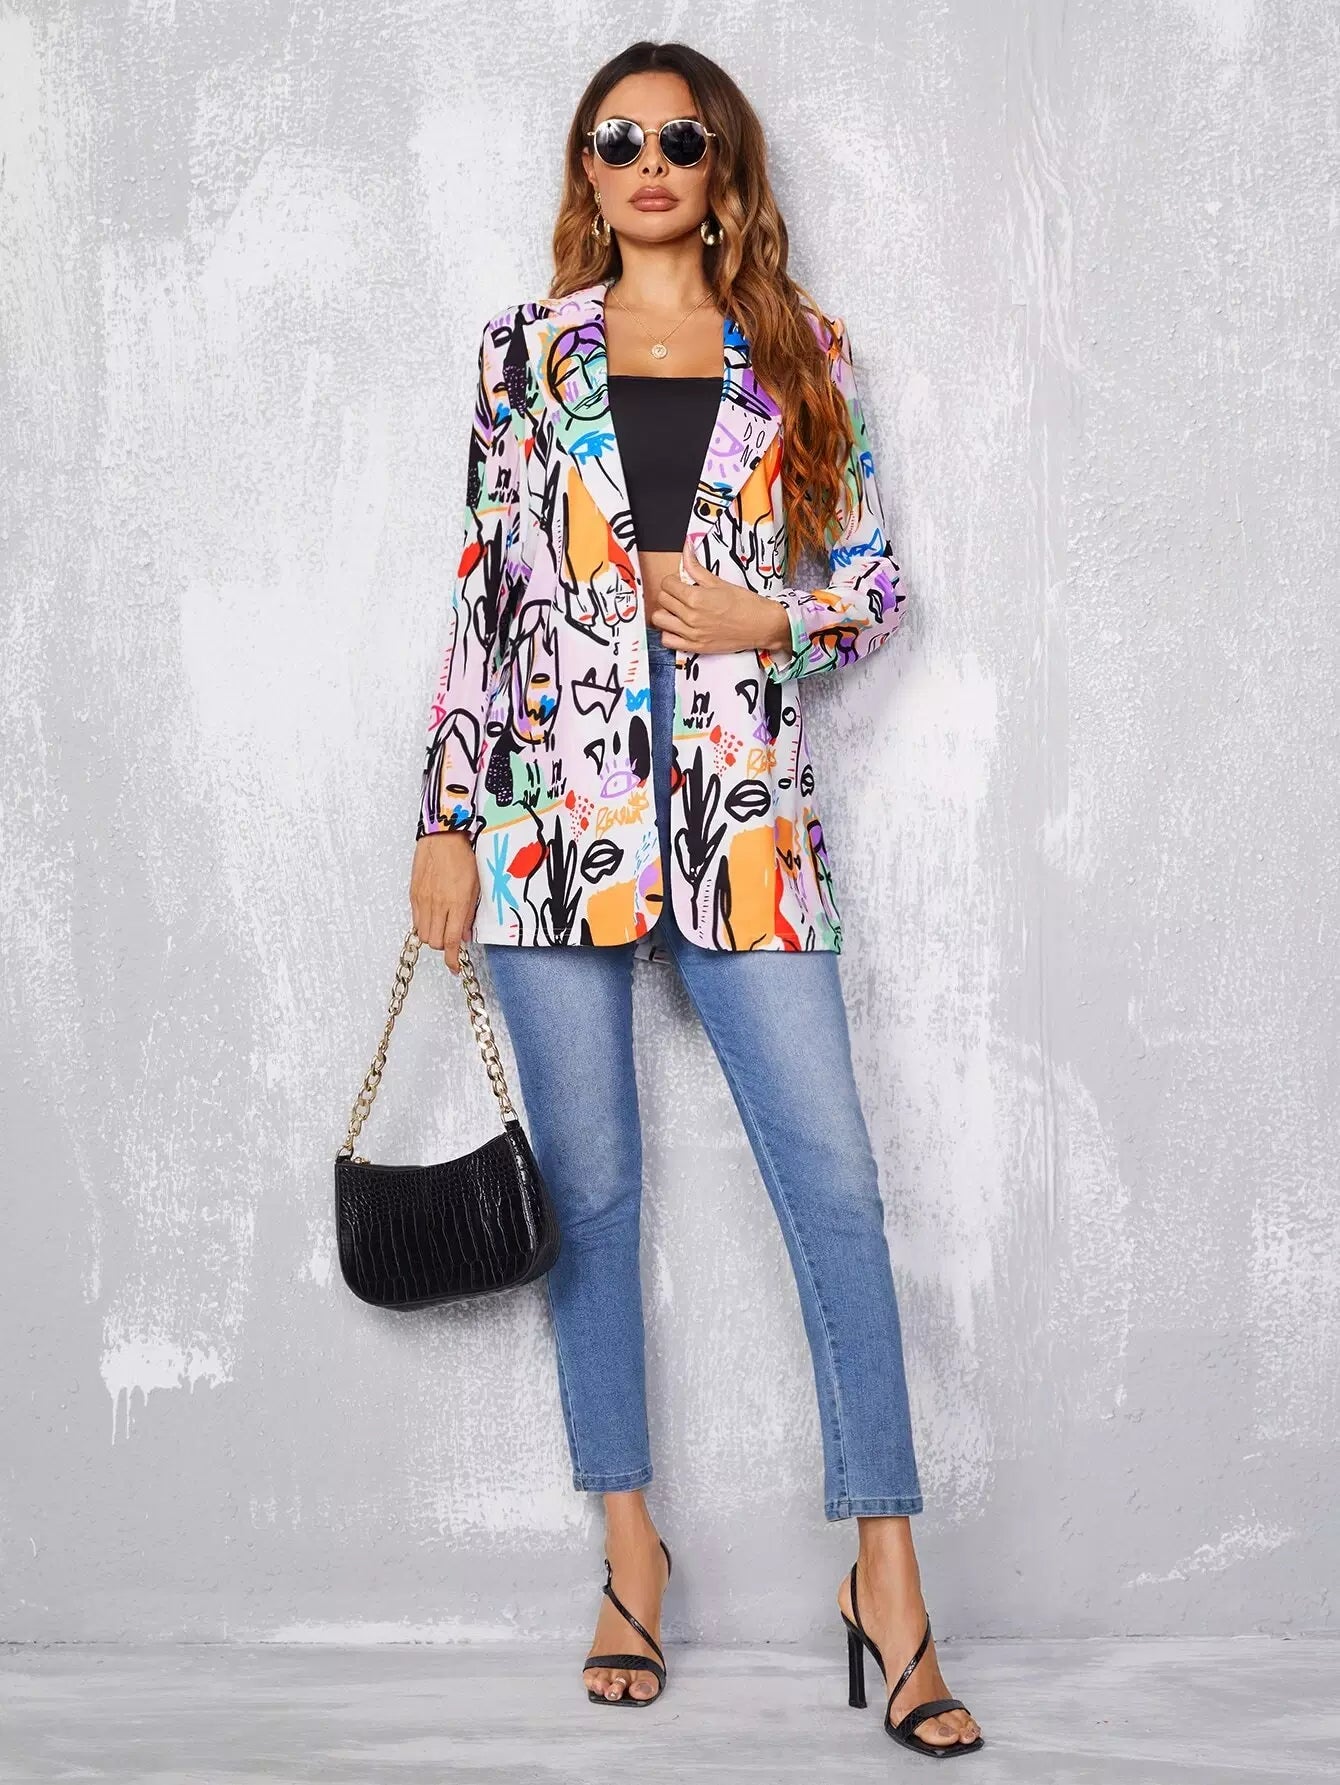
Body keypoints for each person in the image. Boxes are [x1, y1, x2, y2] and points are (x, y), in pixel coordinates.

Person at [407, 38, 983, 1759]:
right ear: (587, 173)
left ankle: (888, 1576)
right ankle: (630, 1549)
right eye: (616, 140)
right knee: (590, 1197)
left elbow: (874, 583)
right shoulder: (521, 354)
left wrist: (767, 621)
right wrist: (445, 817)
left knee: (837, 1190)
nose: (648, 162)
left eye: (678, 138)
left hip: (745, 831)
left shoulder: (802, 352)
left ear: (721, 168)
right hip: (547, 825)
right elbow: (483, 596)